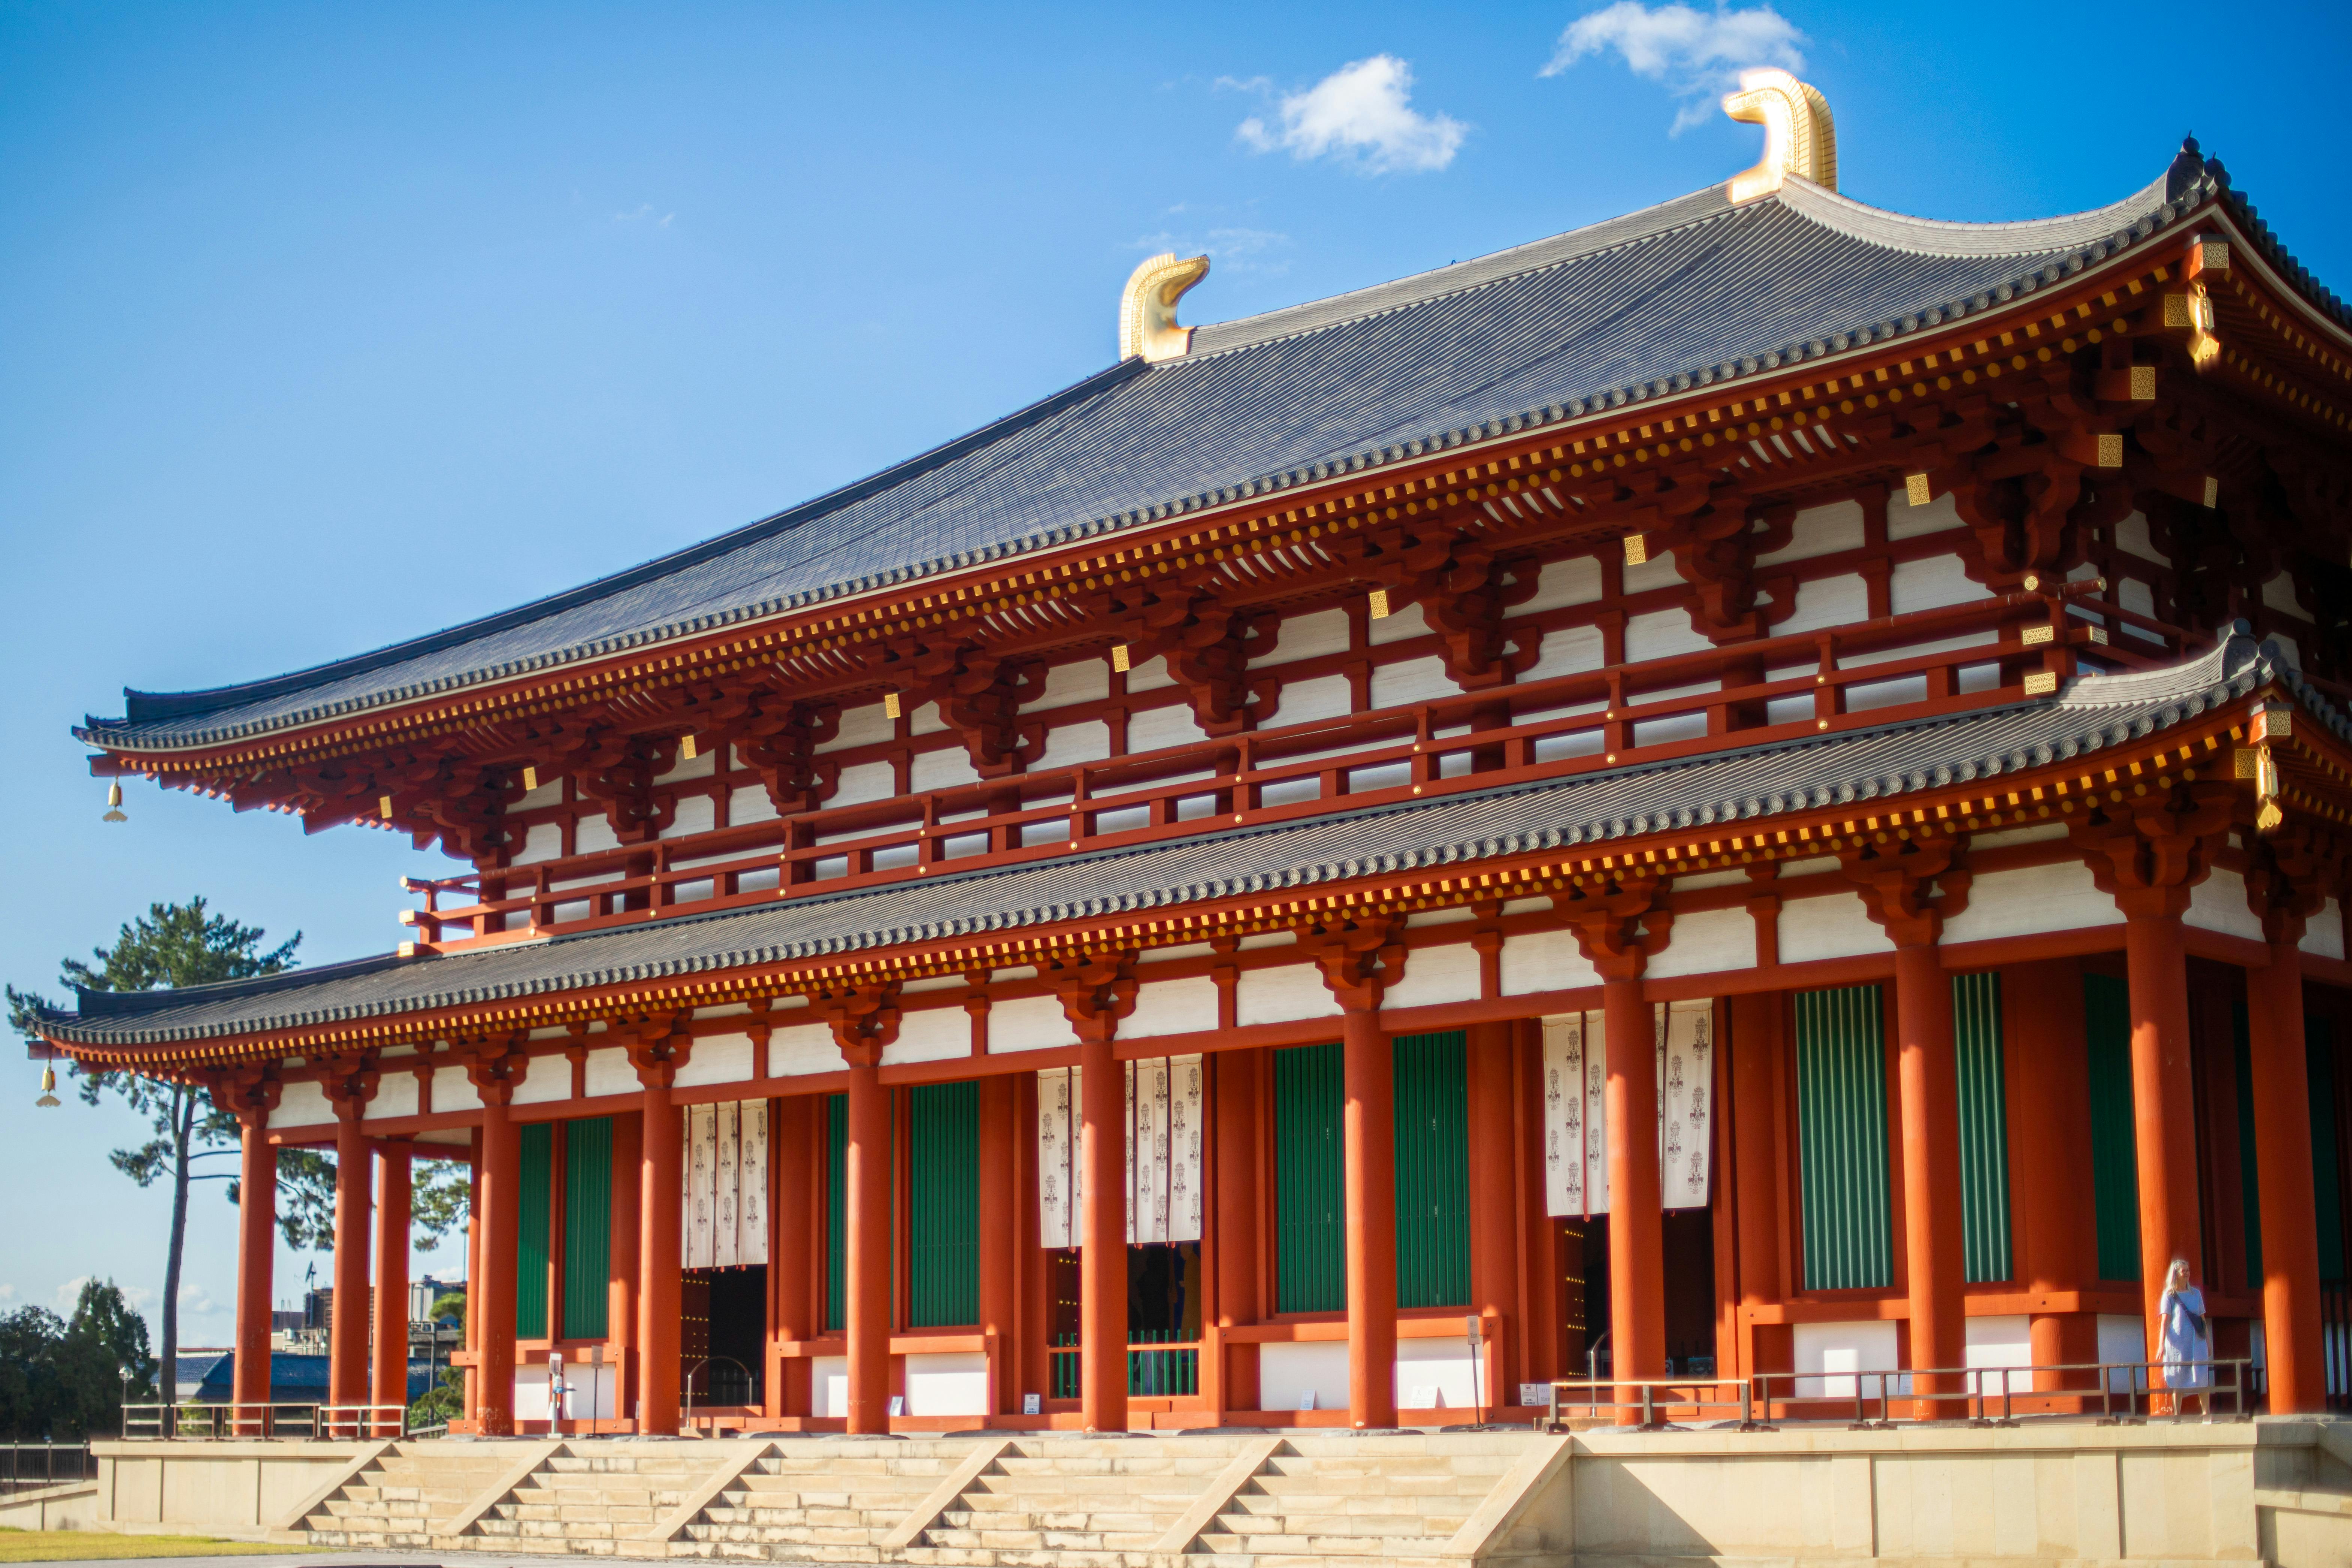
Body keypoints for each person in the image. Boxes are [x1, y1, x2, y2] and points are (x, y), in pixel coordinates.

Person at [2158, 1258, 2212, 1420]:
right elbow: (2165, 1321)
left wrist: (2208, 1342)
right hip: (2178, 1342)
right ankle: (2177, 1415)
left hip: (2197, 1341)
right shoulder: (2169, 1296)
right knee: (2178, 1376)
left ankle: (2206, 1414)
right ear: (2176, 1274)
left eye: (2188, 1271)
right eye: (2184, 1271)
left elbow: (2203, 1320)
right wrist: (2161, 1345)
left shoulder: (2196, 1294)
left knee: (2201, 1374)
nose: (2187, 1274)